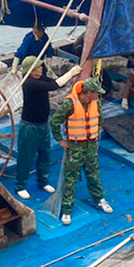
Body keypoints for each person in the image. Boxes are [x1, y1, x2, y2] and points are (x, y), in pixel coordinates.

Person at [14, 56, 82, 200]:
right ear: (31, 71)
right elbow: (54, 86)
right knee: (26, 157)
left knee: (45, 154)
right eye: (38, 67)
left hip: (43, 125)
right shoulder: (30, 83)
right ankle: (20, 185)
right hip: (30, 127)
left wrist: (72, 76)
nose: (41, 68)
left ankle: (42, 181)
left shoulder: (41, 78)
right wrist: (71, 73)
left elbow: (56, 83)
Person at [50, 77, 113, 225]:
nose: (99, 95)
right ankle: (67, 209)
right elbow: (54, 121)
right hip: (75, 146)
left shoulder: (95, 103)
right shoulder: (69, 104)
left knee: (94, 175)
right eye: (97, 93)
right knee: (71, 178)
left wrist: (95, 136)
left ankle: (99, 199)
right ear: (89, 93)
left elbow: (99, 120)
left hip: (91, 145)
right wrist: (60, 140)